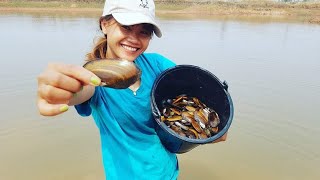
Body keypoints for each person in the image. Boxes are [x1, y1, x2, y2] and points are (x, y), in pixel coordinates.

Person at [37, 0, 227, 179]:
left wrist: (213, 126)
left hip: (167, 173)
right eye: (126, 27)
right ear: (104, 24)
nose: (134, 39)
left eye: (144, 32)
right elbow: (82, 91)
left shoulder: (158, 65)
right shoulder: (94, 80)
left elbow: (191, 93)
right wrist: (62, 89)